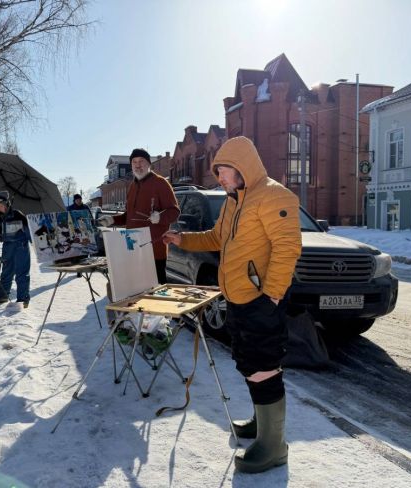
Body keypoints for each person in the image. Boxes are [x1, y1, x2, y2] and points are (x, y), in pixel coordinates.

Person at [163, 136, 301, 473]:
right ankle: (260, 423)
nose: (220, 178)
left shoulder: (273, 195)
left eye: (223, 171)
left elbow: (288, 247)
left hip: (262, 300)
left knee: (265, 367)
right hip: (238, 298)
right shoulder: (232, 202)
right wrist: (182, 239)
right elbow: (217, 237)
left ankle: (273, 446)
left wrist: (271, 296)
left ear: (242, 166)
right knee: (250, 364)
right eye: (218, 172)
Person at [98, 148, 179, 284]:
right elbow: (129, 217)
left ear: (149, 164)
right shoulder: (132, 186)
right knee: (137, 292)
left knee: (156, 292)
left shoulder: (160, 183)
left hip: (154, 251)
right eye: (134, 162)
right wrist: (112, 220)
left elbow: (174, 212)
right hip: (133, 249)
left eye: (141, 161)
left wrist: (159, 217)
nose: (138, 165)